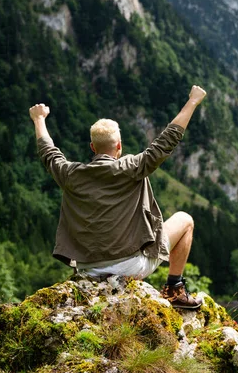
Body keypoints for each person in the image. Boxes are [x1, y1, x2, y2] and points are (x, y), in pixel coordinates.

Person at [30, 85, 207, 309]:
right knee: (185, 220)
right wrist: (192, 102)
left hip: (87, 269)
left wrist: (39, 119)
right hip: (129, 267)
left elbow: (48, 153)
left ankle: (171, 288)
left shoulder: (70, 174)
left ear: (92, 147)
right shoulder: (132, 166)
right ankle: (175, 289)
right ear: (119, 146)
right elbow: (166, 141)